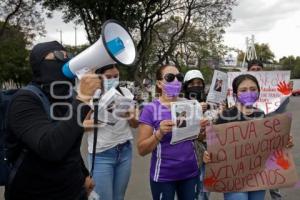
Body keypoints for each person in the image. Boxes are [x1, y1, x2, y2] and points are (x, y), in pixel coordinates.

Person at [6, 41, 101, 200]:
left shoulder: (68, 99)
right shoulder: (24, 100)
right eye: (58, 56)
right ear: (40, 64)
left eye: (68, 56)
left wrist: (83, 175)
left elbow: (71, 146)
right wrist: (83, 98)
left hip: (74, 191)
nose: (66, 60)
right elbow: (51, 147)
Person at [214, 74, 293, 200]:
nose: (249, 93)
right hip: (234, 178)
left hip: (257, 176)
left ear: (258, 92)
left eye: (253, 89)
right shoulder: (225, 116)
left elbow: (267, 145)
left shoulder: (260, 114)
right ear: (235, 94)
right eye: (243, 90)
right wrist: (208, 155)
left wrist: (284, 142)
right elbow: (214, 147)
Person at [137, 65, 210, 200]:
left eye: (179, 77)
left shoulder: (190, 104)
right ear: (159, 83)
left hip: (190, 172)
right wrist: (159, 133)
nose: (176, 81)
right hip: (164, 175)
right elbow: (141, 149)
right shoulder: (150, 109)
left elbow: (197, 138)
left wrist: (202, 130)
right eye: (170, 77)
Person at [84, 64, 138, 200]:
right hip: (102, 154)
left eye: (116, 76)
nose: (113, 79)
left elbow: (135, 124)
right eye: (108, 77)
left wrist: (127, 113)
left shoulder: (126, 93)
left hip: (124, 150)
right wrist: (101, 121)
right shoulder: (91, 96)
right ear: (99, 77)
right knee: (104, 197)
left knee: (119, 197)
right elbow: (82, 124)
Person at [183, 69, 211, 200]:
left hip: (210, 151)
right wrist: (196, 108)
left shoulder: (211, 102)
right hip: (188, 154)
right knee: (188, 189)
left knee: (204, 188)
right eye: (192, 83)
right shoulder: (180, 103)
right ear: (186, 86)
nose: (196, 86)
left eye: (199, 83)